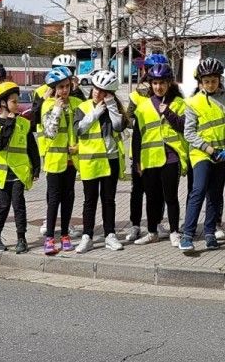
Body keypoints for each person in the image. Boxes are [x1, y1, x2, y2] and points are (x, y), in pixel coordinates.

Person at [180, 57, 225, 253]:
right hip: (201, 154)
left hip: (222, 154)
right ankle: (187, 234)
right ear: (200, 83)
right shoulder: (193, 103)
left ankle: (209, 232)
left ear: (219, 80)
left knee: (215, 194)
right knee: (198, 190)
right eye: (206, 81)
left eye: (214, 80)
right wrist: (208, 149)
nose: (211, 84)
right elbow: (189, 132)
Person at [0, 81, 40, 254]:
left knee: (19, 206)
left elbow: (32, 148)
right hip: (1, 175)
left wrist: (36, 168)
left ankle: (22, 239)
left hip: (19, 173)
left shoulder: (24, 124)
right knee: (3, 207)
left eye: (17, 101)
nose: (17, 104)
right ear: (3, 104)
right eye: (13, 101)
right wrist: (9, 123)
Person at [132, 61, 188, 246]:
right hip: (149, 159)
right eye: (155, 83)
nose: (158, 87)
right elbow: (137, 136)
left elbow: (184, 127)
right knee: (152, 198)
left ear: (169, 83)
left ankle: (174, 231)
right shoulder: (143, 106)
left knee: (171, 197)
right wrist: (137, 161)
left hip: (171, 157)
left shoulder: (179, 103)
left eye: (162, 83)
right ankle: (152, 231)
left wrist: (169, 113)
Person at [73, 69, 127, 253]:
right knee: (89, 201)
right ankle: (87, 236)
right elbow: (78, 130)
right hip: (90, 161)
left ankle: (110, 235)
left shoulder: (114, 107)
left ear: (110, 93)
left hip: (110, 159)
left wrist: (111, 105)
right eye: (96, 88)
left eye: (103, 91)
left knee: (108, 199)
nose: (97, 92)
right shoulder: (83, 107)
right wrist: (94, 114)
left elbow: (119, 127)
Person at [124, 52, 170, 242]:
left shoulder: (168, 94)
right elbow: (127, 120)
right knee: (138, 190)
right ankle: (135, 224)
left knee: (159, 191)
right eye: (150, 69)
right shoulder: (136, 96)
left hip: (162, 151)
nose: (154, 75)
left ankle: (157, 222)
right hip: (140, 151)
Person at [39, 65, 81, 255]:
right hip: (55, 160)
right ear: (54, 88)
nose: (64, 90)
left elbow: (80, 128)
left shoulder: (74, 103)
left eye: (67, 86)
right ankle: (49, 237)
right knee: (54, 200)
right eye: (61, 87)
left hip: (71, 160)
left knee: (68, 198)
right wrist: (56, 109)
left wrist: (78, 145)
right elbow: (50, 132)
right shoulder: (48, 105)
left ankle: (65, 235)